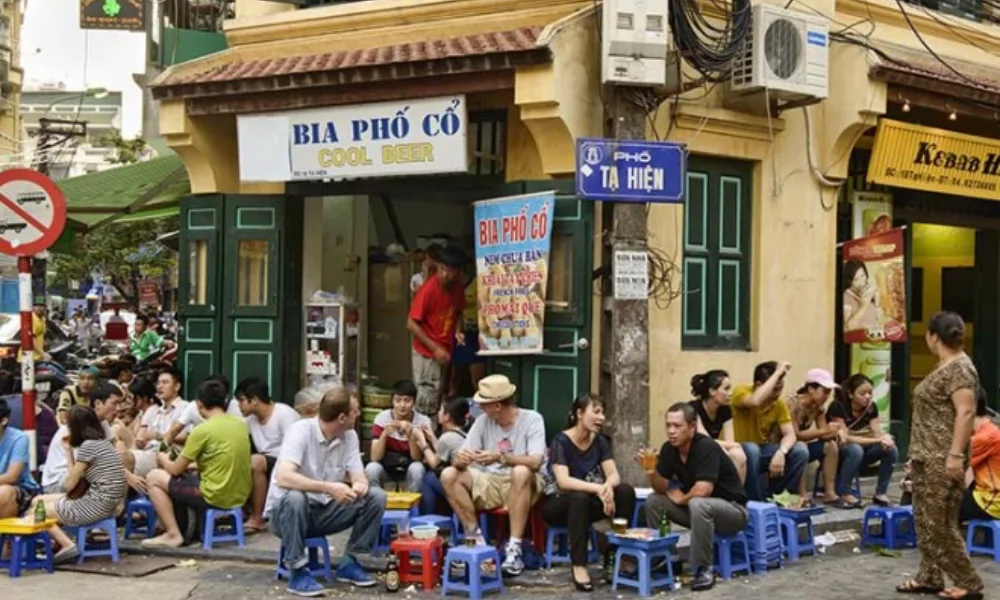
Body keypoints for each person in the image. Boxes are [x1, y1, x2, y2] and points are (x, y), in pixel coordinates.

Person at [266, 387, 386, 595]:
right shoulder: (301, 430)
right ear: (342, 417)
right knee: (296, 498)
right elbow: (283, 477)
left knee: (375, 496)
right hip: (286, 516)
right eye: (355, 411)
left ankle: (350, 561)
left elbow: (358, 475)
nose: (358, 414)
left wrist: (359, 485)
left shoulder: (349, 436)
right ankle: (297, 571)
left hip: (323, 512)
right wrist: (330, 487)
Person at [897, 312, 983, 600]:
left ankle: (969, 583)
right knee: (925, 520)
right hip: (926, 454)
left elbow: (966, 411)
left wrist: (955, 455)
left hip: (942, 456)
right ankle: (929, 575)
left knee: (939, 525)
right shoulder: (944, 366)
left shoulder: (959, 368)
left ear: (933, 336)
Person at [441, 374, 546, 577]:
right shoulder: (482, 422)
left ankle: (514, 549)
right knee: (448, 475)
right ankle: (477, 542)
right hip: (489, 481)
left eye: (484, 404)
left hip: (522, 484)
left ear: (497, 405)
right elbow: (461, 457)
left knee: (521, 471)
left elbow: (535, 461)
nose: (480, 407)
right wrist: (460, 460)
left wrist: (500, 457)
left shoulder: (532, 419)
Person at [640, 402, 748, 592]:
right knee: (654, 502)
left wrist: (681, 499)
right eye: (668, 425)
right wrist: (651, 471)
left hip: (732, 511)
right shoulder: (669, 449)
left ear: (692, 427)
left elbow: (703, 490)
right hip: (698, 512)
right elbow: (660, 488)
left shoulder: (706, 447)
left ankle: (703, 568)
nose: (671, 431)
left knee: (699, 503)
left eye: (677, 426)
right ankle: (667, 559)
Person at [141, 379, 252, 548]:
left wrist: (162, 457)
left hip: (214, 495)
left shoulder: (202, 431)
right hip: (240, 495)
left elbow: (175, 470)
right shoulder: (240, 424)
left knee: (154, 477)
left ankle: (172, 534)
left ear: (200, 405)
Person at [542, 394, 635, 591]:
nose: (601, 418)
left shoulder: (600, 441)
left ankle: (614, 555)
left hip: (589, 501)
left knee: (625, 491)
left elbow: (614, 475)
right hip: (558, 504)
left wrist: (608, 488)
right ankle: (579, 565)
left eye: (603, 412)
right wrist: (599, 489)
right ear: (579, 413)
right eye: (596, 412)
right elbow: (564, 482)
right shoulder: (561, 441)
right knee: (579, 498)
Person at [29, 405, 128, 563]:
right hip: (104, 502)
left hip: (95, 506)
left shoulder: (88, 447)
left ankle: (66, 544)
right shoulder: (103, 444)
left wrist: (68, 452)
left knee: (36, 512)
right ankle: (59, 542)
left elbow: (70, 485)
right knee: (36, 501)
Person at [731, 361, 809, 503]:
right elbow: (755, 401)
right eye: (775, 388)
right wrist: (778, 372)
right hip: (737, 453)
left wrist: (781, 452)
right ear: (760, 385)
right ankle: (755, 502)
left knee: (800, 450)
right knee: (752, 449)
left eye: (781, 387)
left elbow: (790, 434)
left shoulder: (778, 403)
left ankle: (778, 498)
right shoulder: (741, 391)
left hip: (761, 451)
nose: (779, 392)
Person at [407, 245, 466, 415]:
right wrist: (435, 348)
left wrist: (457, 331)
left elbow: (458, 312)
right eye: (442, 269)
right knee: (425, 399)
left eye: (450, 271)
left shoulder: (457, 287)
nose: (445, 275)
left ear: (458, 271)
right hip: (426, 352)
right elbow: (411, 323)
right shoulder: (428, 290)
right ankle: (424, 437)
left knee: (438, 395)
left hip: (444, 351)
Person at [236, 376, 300, 533]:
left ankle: (258, 518)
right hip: (266, 462)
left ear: (255, 400)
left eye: (242, 400)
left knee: (256, 462)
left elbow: (296, 447)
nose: (239, 406)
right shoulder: (250, 421)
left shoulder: (284, 413)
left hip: (288, 464)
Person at [826, 373, 898, 507]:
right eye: (862, 393)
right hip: (841, 451)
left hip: (864, 450)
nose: (868, 397)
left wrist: (885, 438)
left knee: (891, 450)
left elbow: (877, 432)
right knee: (855, 449)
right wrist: (876, 440)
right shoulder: (838, 406)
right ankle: (844, 492)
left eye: (870, 393)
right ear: (850, 394)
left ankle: (880, 493)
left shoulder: (871, 407)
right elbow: (846, 438)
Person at [42, 383, 120, 493]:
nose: (118, 409)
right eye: (114, 403)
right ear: (98, 404)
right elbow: (78, 472)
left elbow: (115, 454)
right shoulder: (78, 426)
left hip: (78, 477)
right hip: (60, 482)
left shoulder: (102, 423)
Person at [785, 368, 842, 506]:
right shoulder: (791, 404)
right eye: (825, 392)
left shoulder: (819, 407)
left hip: (801, 444)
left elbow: (823, 432)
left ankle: (829, 492)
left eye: (829, 393)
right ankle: (802, 494)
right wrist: (824, 431)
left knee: (831, 446)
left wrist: (835, 431)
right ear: (811, 389)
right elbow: (796, 435)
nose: (827, 396)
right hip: (785, 447)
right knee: (801, 447)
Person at [365, 379, 431, 492]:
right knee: (371, 468)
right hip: (386, 467)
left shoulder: (423, 421)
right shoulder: (382, 418)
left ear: (414, 402)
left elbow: (418, 458)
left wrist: (411, 436)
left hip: (409, 468)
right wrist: (385, 434)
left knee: (417, 469)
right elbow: (374, 457)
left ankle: (413, 507)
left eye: (407, 401)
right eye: (398, 400)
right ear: (392, 401)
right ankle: (377, 504)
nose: (402, 405)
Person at [688, 370, 748, 482]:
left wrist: (734, 446)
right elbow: (704, 440)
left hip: (714, 446)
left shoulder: (725, 409)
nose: (730, 393)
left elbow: (730, 441)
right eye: (726, 389)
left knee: (738, 454)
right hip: (696, 450)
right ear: (712, 391)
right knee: (729, 452)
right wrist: (731, 446)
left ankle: (737, 495)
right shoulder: (694, 408)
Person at [414, 396, 469, 515]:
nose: (438, 413)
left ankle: (427, 517)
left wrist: (423, 443)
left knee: (428, 478)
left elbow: (434, 463)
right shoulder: (462, 432)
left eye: (440, 410)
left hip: (459, 485)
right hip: (468, 480)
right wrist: (432, 436)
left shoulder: (447, 437)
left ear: (447, 416)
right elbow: (443, 449)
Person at [164, 374, 242, 447]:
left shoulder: (238, 408)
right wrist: (163, 448)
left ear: (227, 396)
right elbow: (173, 431)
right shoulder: (194, 406)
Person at [960, 386, 999, 523]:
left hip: (991, 502)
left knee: (936, 501)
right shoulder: (989, 430)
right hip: (989, 496)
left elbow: (960, 474)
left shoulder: (983, 438)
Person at [0, 397, 41, 518]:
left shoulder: (19, 438)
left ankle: (7, 535)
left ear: (3, 420)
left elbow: (12, 477)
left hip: (20, 490)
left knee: (4, 492)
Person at [136, 367, 188, 450]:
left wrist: (158, 435)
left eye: (165, 382)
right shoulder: (156, 411)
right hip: (150, 452)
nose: (159, 386)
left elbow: (187, 436)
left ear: (177, 387)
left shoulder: (185, 408)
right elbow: (144, 437)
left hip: (170, 456)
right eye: (158, 383)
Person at [843, 259, 881, 333]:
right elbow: (849, 327)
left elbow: (878, 317)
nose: (862, 281)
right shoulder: (846, 297)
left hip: (872, 335)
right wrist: (864, 305)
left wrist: (877, 301)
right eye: (856, 279)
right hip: (858, 339)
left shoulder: (868, 290)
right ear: (849, 281)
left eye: (863, 276)